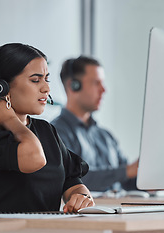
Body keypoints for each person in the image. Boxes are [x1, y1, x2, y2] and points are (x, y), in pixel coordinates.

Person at [0, 43, 94, 214]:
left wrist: (80, 197)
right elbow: (33, 158)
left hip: (40, 232)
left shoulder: (46, 130)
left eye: (46, 79)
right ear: (2, 86)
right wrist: (9, 119)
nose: (46, 88)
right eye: (35, 80)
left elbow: (72, 180)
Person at [51, 56, 138, 192]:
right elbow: (73, 179)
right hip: (88, 211)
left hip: (118, 208)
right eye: (96, 83)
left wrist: (150, 182)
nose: (104, 90)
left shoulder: (105, 136)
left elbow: (127, 179)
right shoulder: (55, 133)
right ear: (73, 85)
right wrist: (126, 171)